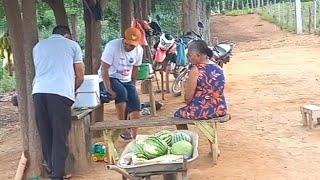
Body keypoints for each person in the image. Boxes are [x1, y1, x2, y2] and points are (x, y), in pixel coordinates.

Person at [32, 25, 84, 180]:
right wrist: (71, 89)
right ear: (67, 35)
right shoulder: (73, 45)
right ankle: (57, 176)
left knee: (46, 133)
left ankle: (52, 170)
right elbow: (80, 75)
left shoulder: (38, 46)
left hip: (38, 92)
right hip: (60, 93)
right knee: (59, 135)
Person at [99, 27, 143, 140]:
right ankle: (123, 126)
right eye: (127, 44)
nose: (128, 47)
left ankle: (134, 135)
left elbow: (136, 68)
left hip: (126, 79)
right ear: (123, 39)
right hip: (109, 76)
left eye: (132, 45)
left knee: (135, 102)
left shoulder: (139, 51)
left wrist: (133, 84)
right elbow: (104, 68)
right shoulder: (112, 46)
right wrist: (108, 88)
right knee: (122, 93)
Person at [174, 40, 227, 128]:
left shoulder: (196, 70)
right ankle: (211, 141)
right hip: (220, 108)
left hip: (202, 111)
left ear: (197, 55)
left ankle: (186, 139)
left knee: (177, 114)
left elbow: (188, 97)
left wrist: (190, 104)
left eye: (190, 56)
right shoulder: (218, 67)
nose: (189, 59)